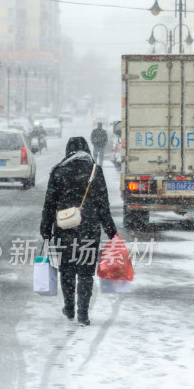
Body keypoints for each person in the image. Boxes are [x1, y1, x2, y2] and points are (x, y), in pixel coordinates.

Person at [40, 137, 118, 326]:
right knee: (85, 272)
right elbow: (102, 205)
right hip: (89, 229)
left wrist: (45, 229)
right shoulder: (94, 171)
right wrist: (111, 231)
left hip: (64, 227)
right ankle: (83, 313)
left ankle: (69, 308)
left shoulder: (58, 170)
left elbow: (49, 203)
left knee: (66, 270)